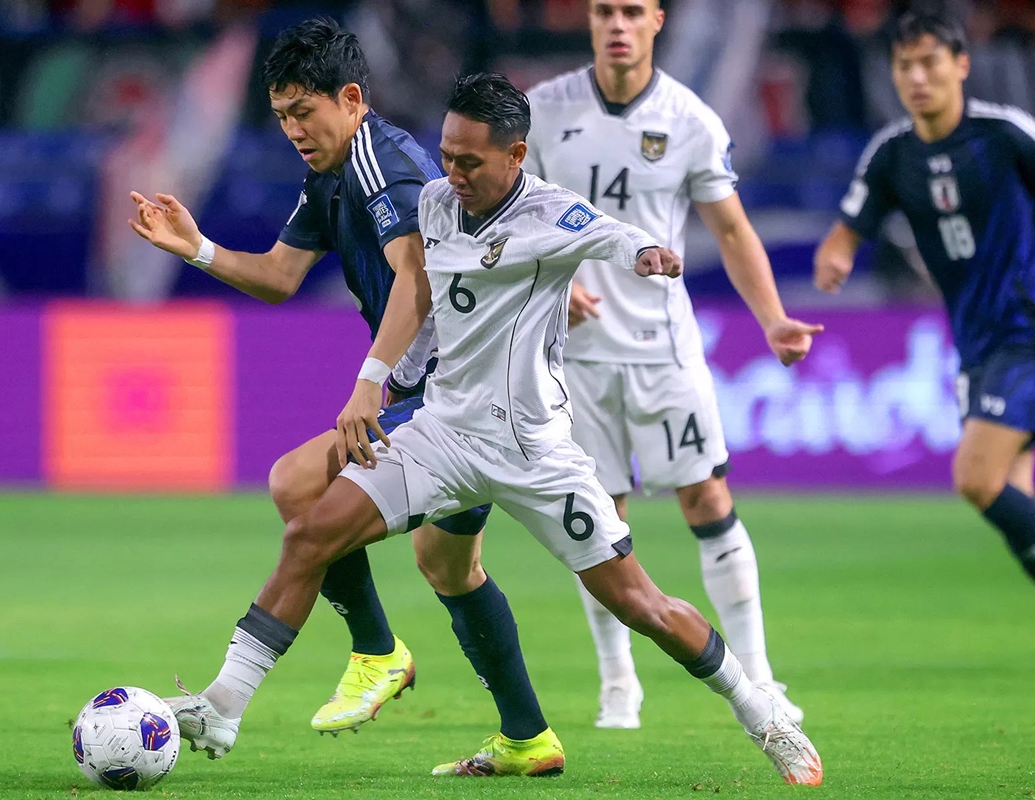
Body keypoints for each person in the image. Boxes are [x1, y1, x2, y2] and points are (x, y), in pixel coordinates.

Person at [161, 71, 824, 786]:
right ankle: (222, 706)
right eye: (447, 153)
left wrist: (646, 255)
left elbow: (614, 235)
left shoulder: (551, 213)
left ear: (516, 155)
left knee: (642, 605)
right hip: (444, 430)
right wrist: (376, 380)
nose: (452, 172)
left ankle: (763, 716)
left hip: (533, 450)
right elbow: (421, 293)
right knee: (310, 531)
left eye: (471, 160)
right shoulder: (439, 204)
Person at [129, 17, 559, 768]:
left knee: (300, 487)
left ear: (351, 97)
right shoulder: (330, 171)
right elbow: (279, 276)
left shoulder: (379, 160)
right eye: (282, 116)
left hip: (456, 394)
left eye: (305, 111)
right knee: (449, 568)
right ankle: (527, 737)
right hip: (451, 389)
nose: (294, 128)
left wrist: (370, 381)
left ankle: (359, 656)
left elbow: (416, 274)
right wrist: (194, 249)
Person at [523, 0, 821, 729]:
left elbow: (731, 227)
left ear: (657, 20)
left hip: (664, 350)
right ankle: (618, 681)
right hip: (574, 358)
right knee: (599, 518)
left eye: (631, 11)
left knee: (708, 502)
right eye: (603, 11)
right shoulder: (540, 111)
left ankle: (760, 673)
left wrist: (774, 316)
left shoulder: (691, 120)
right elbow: (508, 218)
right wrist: (550, 289)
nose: (616, 24)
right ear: (588, 21)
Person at [814, 9, 1035, 582]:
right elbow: (846, 230)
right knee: (1016, 490)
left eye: (930, 62)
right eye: (904, 65)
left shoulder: (1005, 133)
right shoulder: (891, 155)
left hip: (1025, 332)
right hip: (977, 344)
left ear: (961, 65)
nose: (917, 78)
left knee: (976, 479)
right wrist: (835, 256)